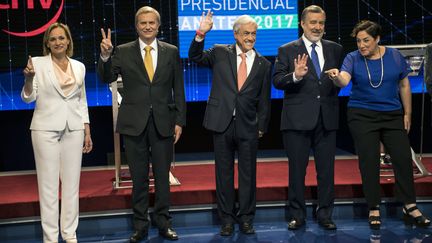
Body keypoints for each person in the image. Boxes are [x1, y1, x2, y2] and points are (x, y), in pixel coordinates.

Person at [326, 20, 431, 229]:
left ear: (377, 39)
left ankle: (409, 205)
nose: (361, 45)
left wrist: (407, 113)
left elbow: (404, 83)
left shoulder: (393, 56)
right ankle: (373, 206)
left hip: (392, 114)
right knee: (369, 160)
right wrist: (336, 78)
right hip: (361, 115)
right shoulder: (352, 58)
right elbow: (344, 80)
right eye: (358, 41)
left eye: (366, 40)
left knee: (402, 159)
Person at [98, 6, 186, 242]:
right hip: (133, 123)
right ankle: (140, 225)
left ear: (158, 26)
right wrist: (105, 56)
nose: (147, 26)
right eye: (142, 23)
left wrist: (179, 120)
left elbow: (178, 87)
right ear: (136, 26)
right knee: (138, 178)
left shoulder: (171, 51)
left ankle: (164, 222)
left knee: (162, 176)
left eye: (151, 23)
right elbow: (106, 77)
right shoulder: (122, 51)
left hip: (163, 122)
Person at [189, 12, 271, 236]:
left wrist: (261, 125)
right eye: (246, 33)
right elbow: (195, 56)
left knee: (248, 174)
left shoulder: (263, 63)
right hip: (221, 122)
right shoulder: (219, 52)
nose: (251, 38)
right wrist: (201, 33)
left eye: (254, 34)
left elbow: (264, 99)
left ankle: (246, 219)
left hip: (248, 125)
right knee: (223, 174)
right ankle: (226, 219)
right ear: (235, 34)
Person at [272, 5, 343, 230]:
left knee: (326, 171)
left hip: (326, 118)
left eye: (321, 23)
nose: (317, 27)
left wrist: (336, 82)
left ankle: (325, 214)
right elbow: (277, 81)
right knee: (297, 170)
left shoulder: (335, 49)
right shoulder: (287, 49)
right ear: (302, 24)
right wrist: (295, 75)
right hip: (297, 120)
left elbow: (337, 83)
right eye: (313, 22)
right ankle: (297, 215)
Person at [21, 22, 93, 243]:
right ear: (47, 44)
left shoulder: (79, 66)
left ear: (68, 41)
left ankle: (69, 234)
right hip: (45, 129)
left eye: (61, 38)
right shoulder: (38, 64)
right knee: (49, 186)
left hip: (74, 129)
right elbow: (27, 98)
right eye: (53, 39)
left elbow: (82, 101)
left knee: (72, 185)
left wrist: (86, 129)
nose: (58, 42)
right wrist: (29, 79)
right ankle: (50, 238)